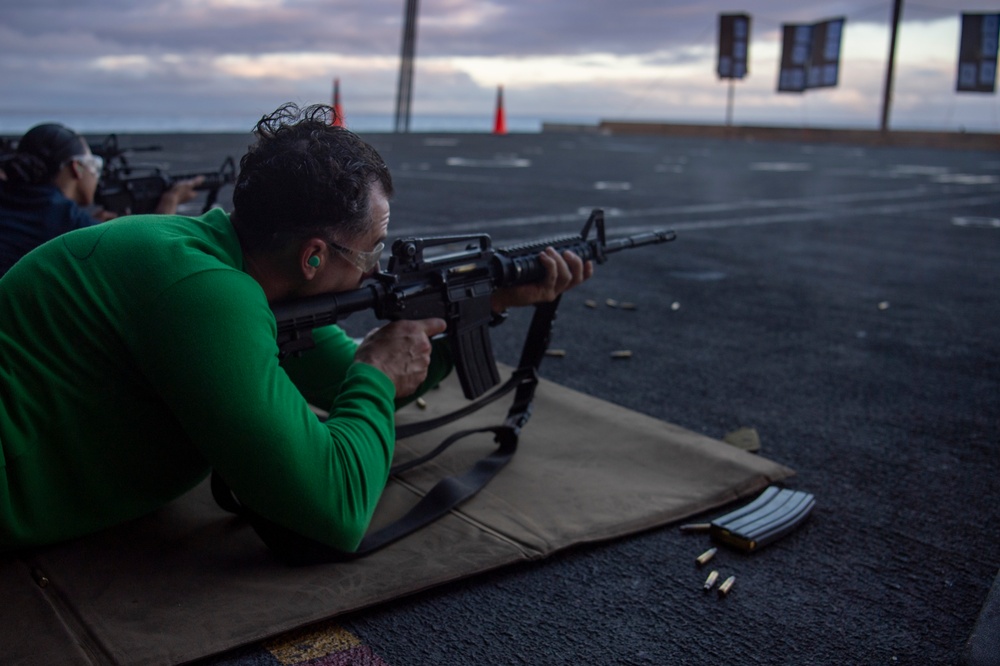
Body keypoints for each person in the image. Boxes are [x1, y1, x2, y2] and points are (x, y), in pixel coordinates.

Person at [0, 102, 592, 556]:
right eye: (372, 248)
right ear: (313, 257)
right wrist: (376, 376)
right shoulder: (207, 293)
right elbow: (334, 509)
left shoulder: (226, 261)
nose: (379, 266)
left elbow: (352, 380)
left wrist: (491, 304)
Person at [0, 122, 203, 276]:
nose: (96, 175)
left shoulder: (16, 199)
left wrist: (93, 228)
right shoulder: (64, 218)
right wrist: (170, 203)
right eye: (94, 165)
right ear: (77, 168)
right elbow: (150, 262)